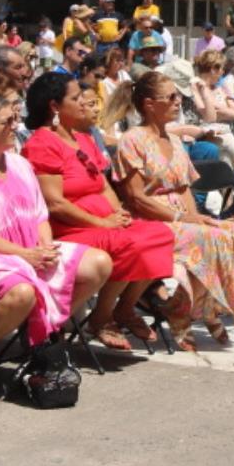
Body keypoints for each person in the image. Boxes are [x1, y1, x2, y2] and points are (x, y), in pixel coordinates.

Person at [0, 95, 113, 398]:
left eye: (14, 119)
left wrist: (44, 245)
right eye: (6, 122)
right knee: (22, 292)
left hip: (31, 250)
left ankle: (43, 330)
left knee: (99, 263)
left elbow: (39, 214)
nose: (15, 126)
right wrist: (25, 255)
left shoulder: (19, 164)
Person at [22, 71, 175, 351]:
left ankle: (124, 308)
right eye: (76, 98)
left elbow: (103, 184)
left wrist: (119, 215)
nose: (84, 102)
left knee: (160, 234)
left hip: (102, 224)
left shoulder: (82, 138)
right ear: (54, 107)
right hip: (70, 230)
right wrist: (102, 223)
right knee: (131, 243)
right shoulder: (42, 144)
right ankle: (102, 317)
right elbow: (55, 203)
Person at [112, 69, 234, 347]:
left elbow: (183, 188)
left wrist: (197, 217)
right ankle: (184, 311)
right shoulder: (132, 140)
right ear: (149, 104)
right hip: (149, 218)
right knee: (208, 237)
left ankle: (204, 306)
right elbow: (136, 198)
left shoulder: (174, 140)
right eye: (170, 97)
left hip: (179, 215)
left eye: (178, 96)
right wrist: (184, 218)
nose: (178, 102)